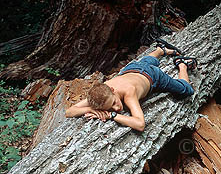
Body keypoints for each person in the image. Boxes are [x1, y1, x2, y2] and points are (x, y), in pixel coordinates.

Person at [65, 44, 196, 132]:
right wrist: (92, 110)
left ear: (112, 90)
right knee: (145, 62)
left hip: (153, 76)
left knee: (186, 90)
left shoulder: (129, 93)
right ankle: (160, 50)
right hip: (131, 69)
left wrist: (111, 115)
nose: (117, 107)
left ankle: (182, 64)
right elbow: (69, 111)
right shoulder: (100, 95)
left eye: (114, 103)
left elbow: (140, 124)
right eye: (111, 108)